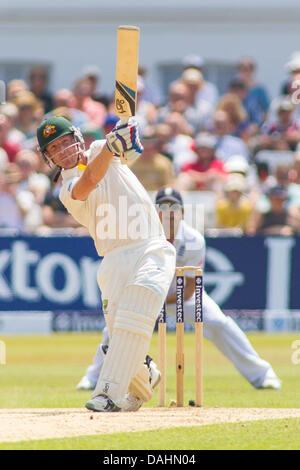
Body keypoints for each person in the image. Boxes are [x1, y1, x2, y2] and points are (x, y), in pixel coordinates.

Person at [77, 188, 281, 397]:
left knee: (219, 323)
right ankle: (93, 377)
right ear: (153, 212)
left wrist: (162, 300)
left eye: (173, 208)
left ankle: (263, 375)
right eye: (162, 208)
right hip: (147, 293)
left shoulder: (193, 240)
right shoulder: (139, 236)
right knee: (118, 326)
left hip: (181, 294)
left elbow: (191, 289)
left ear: (182, 212)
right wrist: (147, 299)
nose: (168, 213)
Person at [36, 116, 176, 412]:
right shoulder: (67, 187)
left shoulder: (103, 147)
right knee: (122, 334)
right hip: (113, 259)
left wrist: (128, 129)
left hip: (150, 243)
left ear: (77, 137)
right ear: (48, 157)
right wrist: (113, 146)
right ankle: (146, 375)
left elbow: (132, 149)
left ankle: (107, 394)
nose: (62, 150)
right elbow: (89, 181)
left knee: (136, 310)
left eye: (64, 141)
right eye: (54, 148)